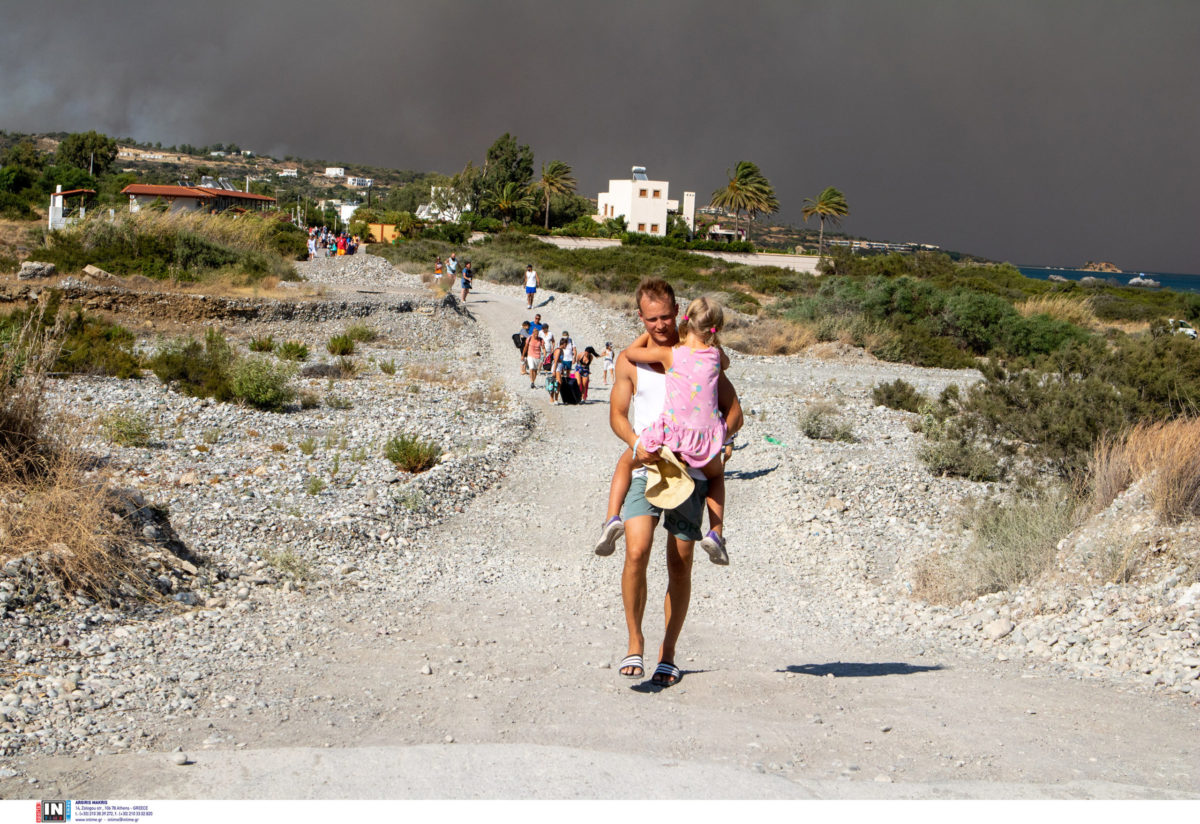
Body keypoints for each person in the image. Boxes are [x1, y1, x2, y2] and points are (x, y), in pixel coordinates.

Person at [601, 279, 742, 686]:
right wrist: (635, 444)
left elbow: (735, 411)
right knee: (636, 551)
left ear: (678, 312)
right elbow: (617, 415)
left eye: (666, 316)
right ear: (640, 318)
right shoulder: (633, 362)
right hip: (648, 466)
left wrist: (719, 440)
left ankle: (668, 653)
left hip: (691, 475)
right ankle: (635, 641)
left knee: (679, 566)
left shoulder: (697, 354)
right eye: (652, 319)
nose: (660, 325)